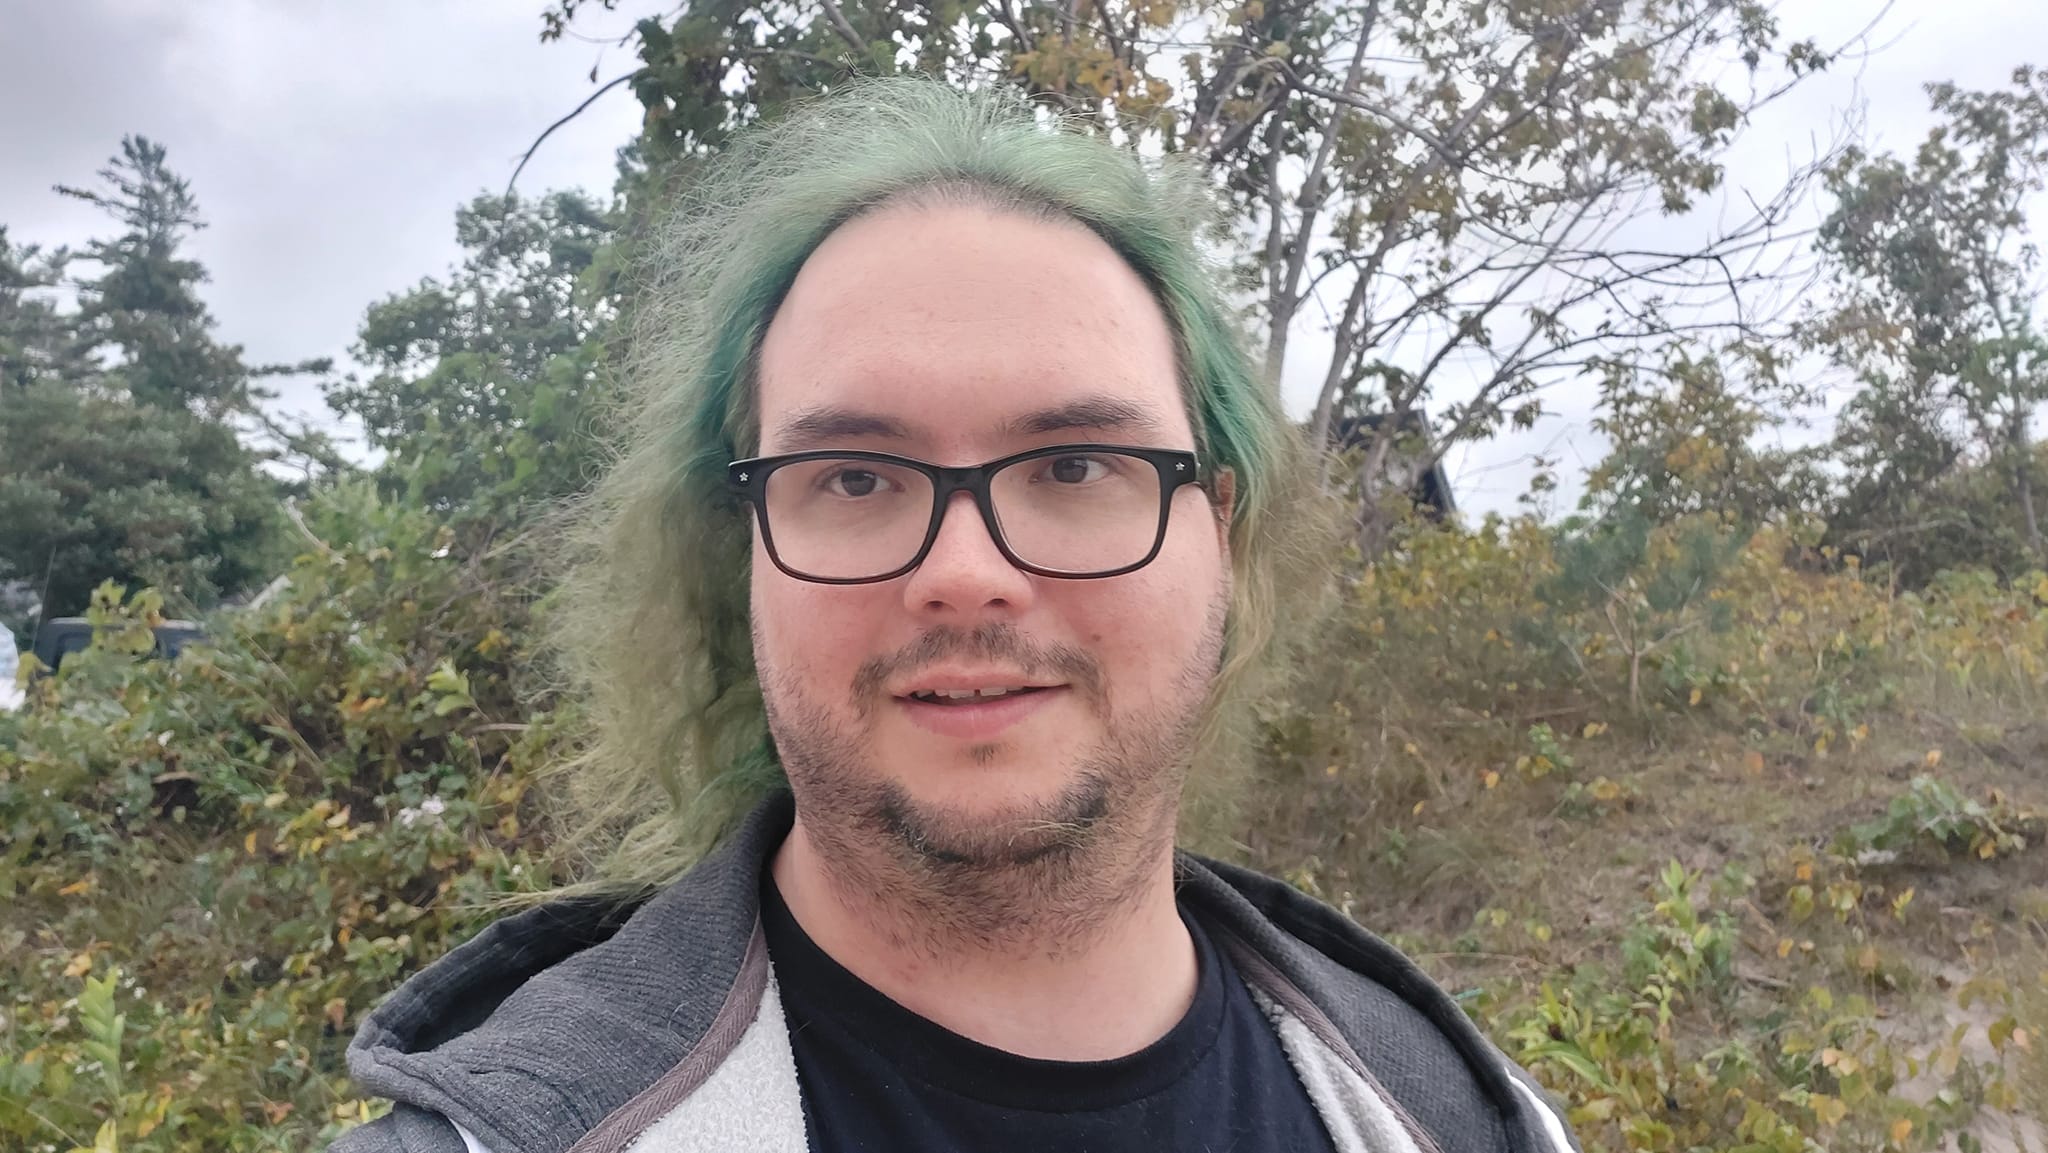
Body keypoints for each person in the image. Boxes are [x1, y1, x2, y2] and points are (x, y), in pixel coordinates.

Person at [335, 78, 1580, 1153]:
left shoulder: (1464, 1114)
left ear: (1223, 533)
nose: (967, 571)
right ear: (744, 560)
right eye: (857, 479)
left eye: (1077, 465)